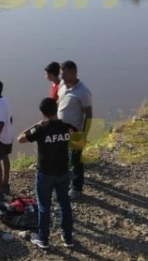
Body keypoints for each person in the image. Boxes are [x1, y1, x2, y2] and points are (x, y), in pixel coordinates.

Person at [18, 97, 76, 250]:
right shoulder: (68, 127)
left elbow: (20, 139)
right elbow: (79, 142)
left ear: (43, 113)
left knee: (44, 206)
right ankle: (68, 238)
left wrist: (35, 125)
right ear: (56, 109)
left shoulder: (40, 129)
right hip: (63, 173)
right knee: (64, 204)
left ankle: (43, 239)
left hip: (45, 174)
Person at [57, 61, 93, 200]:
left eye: (64, 74)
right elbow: (59, 103)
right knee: (62, 158)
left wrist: (85, 134)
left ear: (73, 73)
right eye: (61, 73)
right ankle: (63, 184)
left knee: (76, 160)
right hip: (60, 130)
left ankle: (77, 187)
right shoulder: (62, 85)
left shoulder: (83, 92)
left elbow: (89, 115)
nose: (62, 76)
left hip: (76, 131)